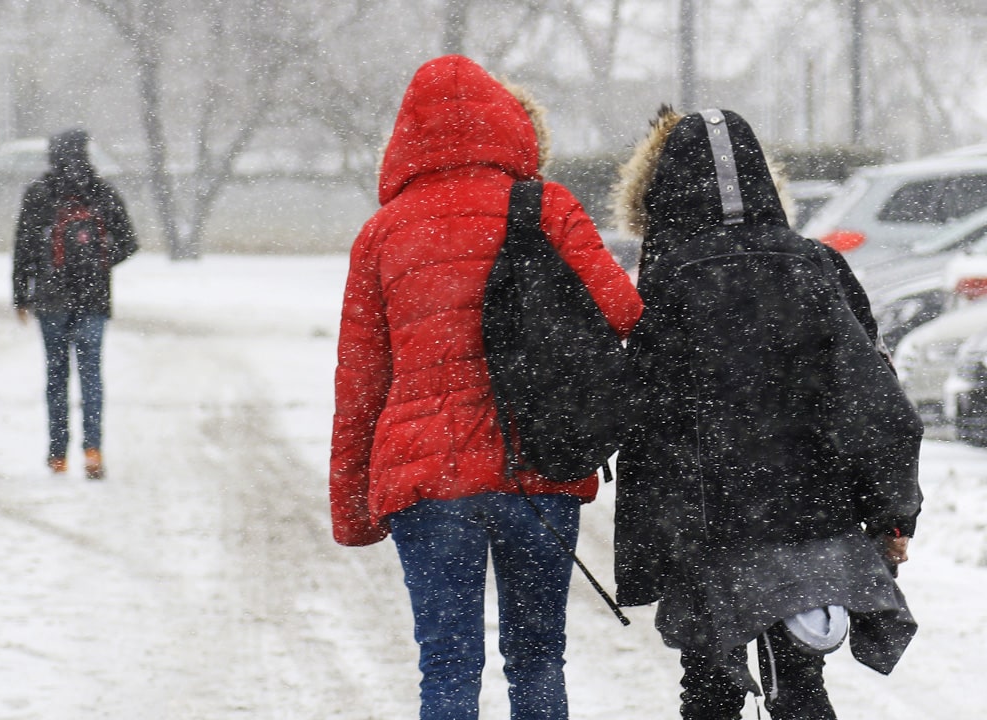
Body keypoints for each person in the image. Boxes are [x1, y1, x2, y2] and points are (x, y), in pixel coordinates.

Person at [329, 55, 642, 719]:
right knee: (538, 661)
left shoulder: (381, 234)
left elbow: (360, 385)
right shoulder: (548, 207)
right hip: (536, 465)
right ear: (505, 123)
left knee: (446, 669)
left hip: (427, 481)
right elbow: (623, 311)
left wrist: (352, 506)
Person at [608, 106, 924, 720]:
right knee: (802, 687)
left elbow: (637, 410)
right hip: (810, 512)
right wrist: (893, 510)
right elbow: (874, 398)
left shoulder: (664, 283)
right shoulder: (815, 267)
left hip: (704, 525)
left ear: (661, 194)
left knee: (709, 690)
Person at [12, 128, 136, 480]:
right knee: (91, 375)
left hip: (51, 299)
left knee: (56, 376)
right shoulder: (101, 191)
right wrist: (98, 261)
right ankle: (93, 450)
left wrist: (21, 294)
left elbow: (23, 248)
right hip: (93, 297)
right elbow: (129, 242)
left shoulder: (39, 193)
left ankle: (57, 454)